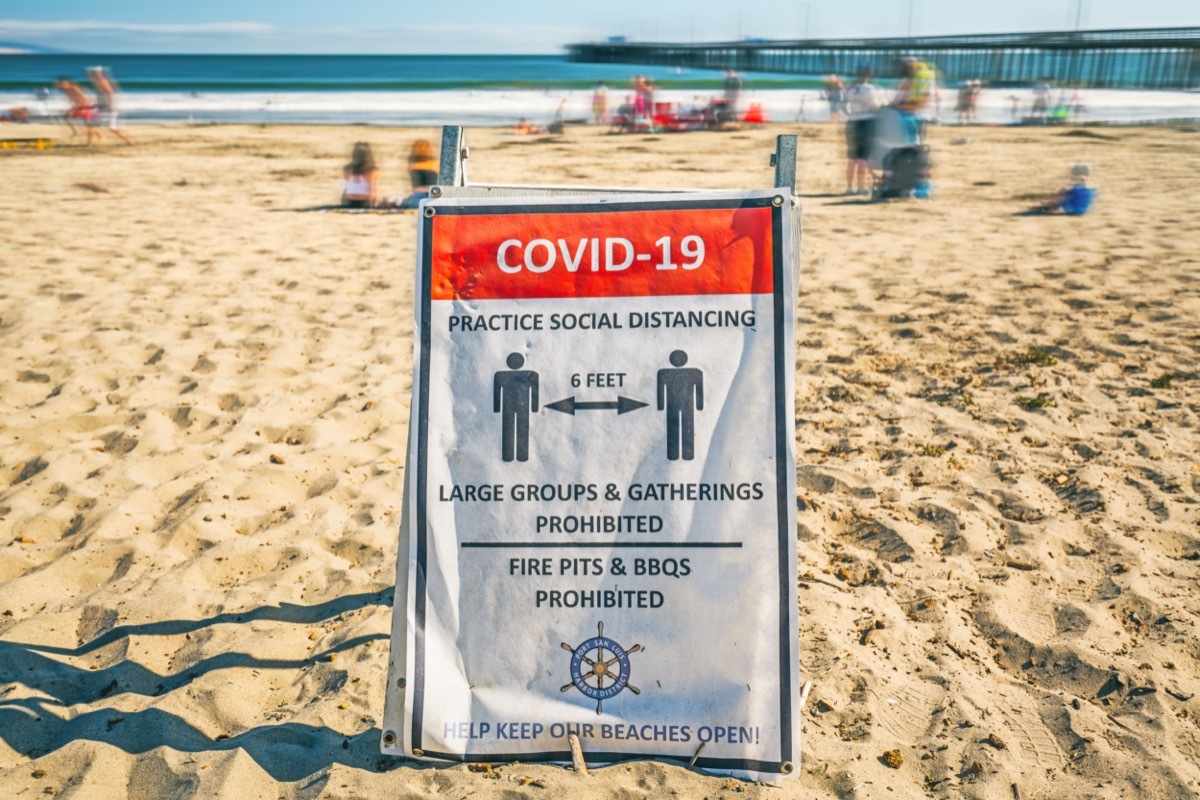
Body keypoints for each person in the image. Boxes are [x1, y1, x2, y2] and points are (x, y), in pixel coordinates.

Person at [844, 64, 881, 195]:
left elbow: (844, 107)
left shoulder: (850, 88)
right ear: (868, 74)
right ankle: (861, 187)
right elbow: (875, 105)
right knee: (863, 157)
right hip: (866, 122)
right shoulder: (869, 89)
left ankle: (849, 187)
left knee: (852, 157)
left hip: (852, 122)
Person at [88, 66, 133, 145]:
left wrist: (111, 106)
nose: (90, 76)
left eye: (91, 74)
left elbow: (110, 93)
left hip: (107, 109)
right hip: (104, 108)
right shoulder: (99, 81)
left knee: (110, 128)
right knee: (94, 126)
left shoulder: (102, 81)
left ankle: (129, 141)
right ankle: (89, 144)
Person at [1027, 164, 1095, 215]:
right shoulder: (1090, 187)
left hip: (1074, 210)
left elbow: (1065, 197)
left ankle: (1048, 204)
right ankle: (1048, 204)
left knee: (1062, 197)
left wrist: (1052, 200)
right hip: (1087, 210)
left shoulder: (1074, 188)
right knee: (1064, 197)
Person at [893, 57, 933, 141]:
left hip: (917, 116)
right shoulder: (909, 79)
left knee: (914, 142)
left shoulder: (923, 79)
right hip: (906, 116)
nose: (903, 69)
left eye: (907, 66)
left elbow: (923, 103)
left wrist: (900, 106)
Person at [55, 78, 98, 144]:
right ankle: (75, 132)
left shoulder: (74, 88)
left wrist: (86, 107)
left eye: (64, 84)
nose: (63, 85)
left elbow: (83, 97)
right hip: (77, 106)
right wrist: (72, 107)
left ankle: (91, 142)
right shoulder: (65, 90)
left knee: (87, 124)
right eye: (62, 84)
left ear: (68, 83)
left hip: (84, 105)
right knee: (67, 117)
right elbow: (71, 98)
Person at [342, 142, 378, 208]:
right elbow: (372, 191)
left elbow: (346, 188)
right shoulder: (371, 170)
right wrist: (373, 205)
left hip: (349, 200)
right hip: (364, 202)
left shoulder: (347, 169)